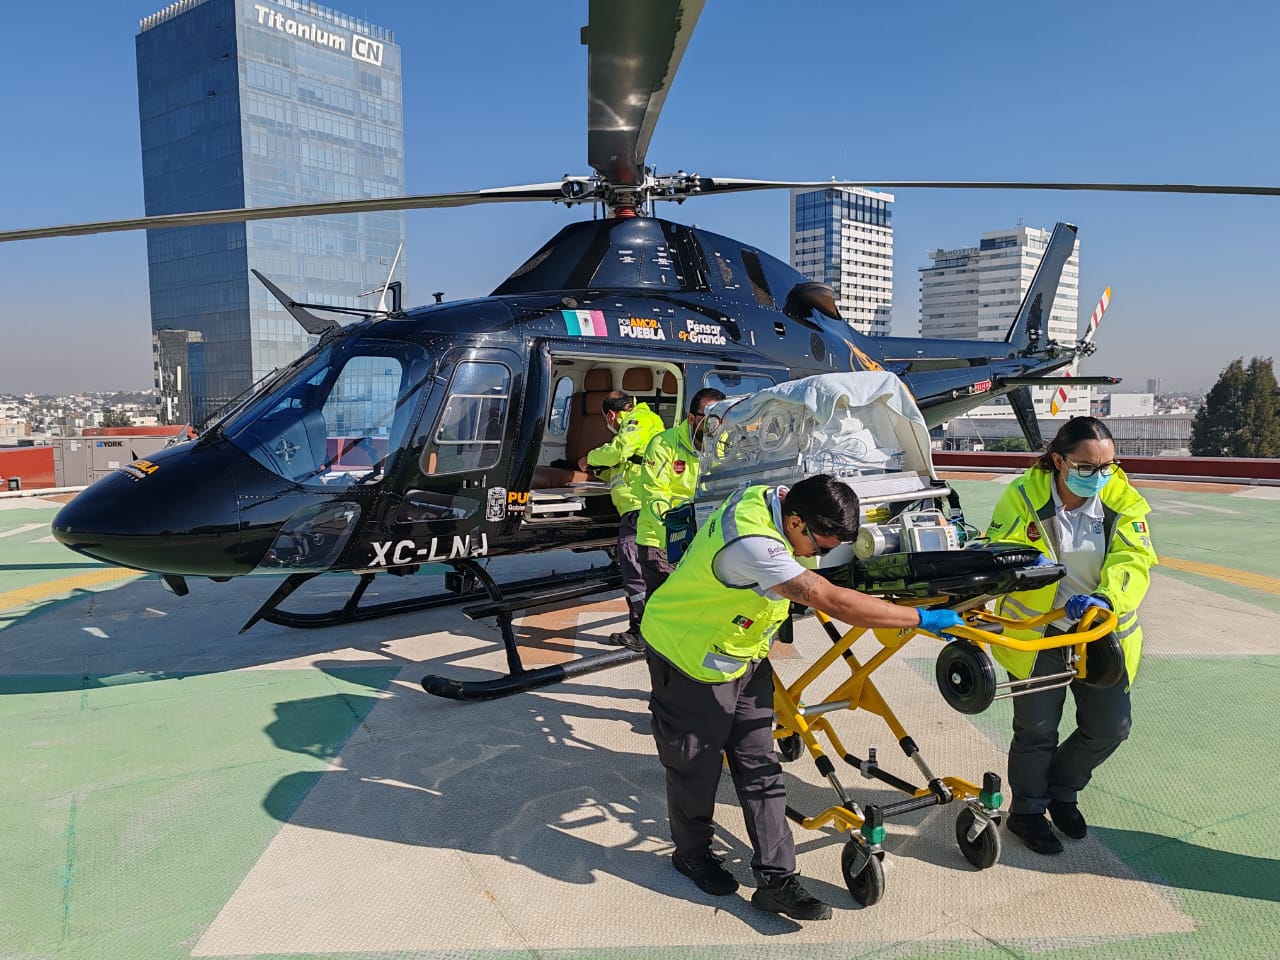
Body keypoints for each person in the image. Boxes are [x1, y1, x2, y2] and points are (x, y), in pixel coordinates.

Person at [640, 475, 963, 920]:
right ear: (794, 522)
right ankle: (692, 854)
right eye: (821, 546)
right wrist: (919, 616)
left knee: (760, 764)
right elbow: (831, 599)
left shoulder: (775, 498)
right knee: (695, 765)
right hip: (687, 654)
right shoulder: (755, 543)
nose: (821, 556)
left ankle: (777, 878)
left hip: (741, 651)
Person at [985, 416, 1157, 855]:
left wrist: (1104, 599)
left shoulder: (1123, 502)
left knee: (1110, 727)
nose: (1099, 476)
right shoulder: (1023, 496)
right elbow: (1000, 549)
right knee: (1035, 728)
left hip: (1099, 631)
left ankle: (1061, 789)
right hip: (1040, 631)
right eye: (1087, 467)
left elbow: (1133, 561)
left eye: (1108, 467)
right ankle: (1027, 810)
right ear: (1059, 462)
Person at [578, 390, 664, 649]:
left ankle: (642, 632)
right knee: (639, 569)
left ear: (612, 415)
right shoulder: (641, 430)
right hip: (635, 509)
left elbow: (621, 449)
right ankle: (647, 628)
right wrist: (598, 472)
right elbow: (624, 466)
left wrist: (589, 459)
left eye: (609, 420)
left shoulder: (639, 420)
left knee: (635, 570)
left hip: (640, 508)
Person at [635, 387, 726, 596]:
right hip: (661, 540)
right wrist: (675, 541)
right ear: (692, 418)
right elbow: (654, 496)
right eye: (709, 417)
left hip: (705, 538)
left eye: (720, 417)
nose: (715, 424)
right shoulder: (664, 445)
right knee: (667, 604)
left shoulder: (724, 447)